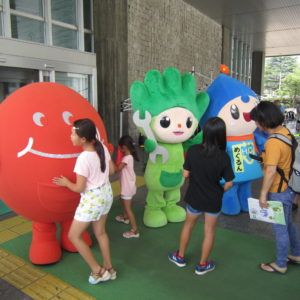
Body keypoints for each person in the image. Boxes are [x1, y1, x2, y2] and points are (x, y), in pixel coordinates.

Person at [53, 119, 116, 284]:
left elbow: (79, 188)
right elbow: (112, 170)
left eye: (73, 133)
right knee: (101, 233)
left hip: (92, 200)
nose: (71, 135)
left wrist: (66, 183)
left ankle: (98, 270)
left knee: (74, 236)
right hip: (106, 194)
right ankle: (110, 268)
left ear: (83, 139)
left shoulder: (83, 159)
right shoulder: (101, 146)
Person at [168, 117, 234, 275]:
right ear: (221, 134)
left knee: (188, 226)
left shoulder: (193, 151)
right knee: (209, 232)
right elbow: (229, 183)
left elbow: (185, 174)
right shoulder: (223, 156)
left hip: (194, 198)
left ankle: (180, 257)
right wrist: (220, 190)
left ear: (205, 132)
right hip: (213, 200)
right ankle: (202, 265)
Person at [250, 101, 300, 274]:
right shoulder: (285, 132)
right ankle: (296, 254)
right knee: (289, 224)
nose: (255, 124)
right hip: (290, 186)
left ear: (263, 121)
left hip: (279, 190)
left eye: (256, 120)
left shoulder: (272, 142)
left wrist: (263, 195)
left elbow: (271, 171)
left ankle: (280, 264)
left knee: (280, 228)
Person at [115, 135, 140, 238]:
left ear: (124, 147)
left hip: (127, 188)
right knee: (121, 200)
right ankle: (125, 218)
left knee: (128, 209)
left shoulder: (126, 158)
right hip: (128, 186)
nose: (119, 149)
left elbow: (117, 169)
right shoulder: (129, 157)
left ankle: (135, 231)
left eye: (120, 147)